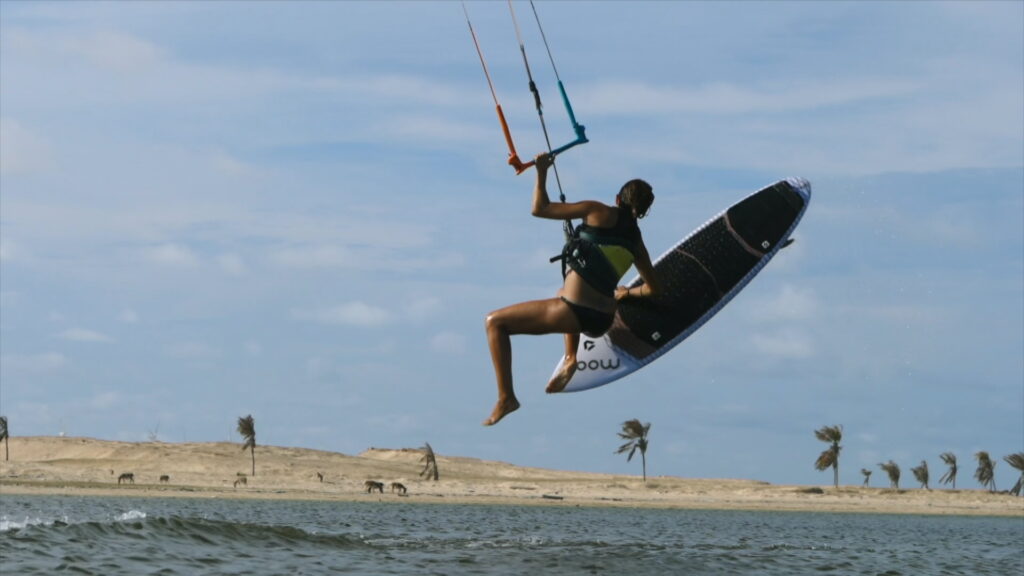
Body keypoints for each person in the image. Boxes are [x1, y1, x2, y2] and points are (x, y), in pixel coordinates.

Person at [483, 152, 662, 426]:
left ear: (617, 199)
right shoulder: (638, 244)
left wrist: (541, 171)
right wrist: (627, 293)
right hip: (601, 321)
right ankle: (570, 358)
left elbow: (539, 209)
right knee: (560, 293)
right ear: (645, 210)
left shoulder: (597, 210)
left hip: (575, 313)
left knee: (495, 322)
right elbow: (653, 289)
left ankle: (507, 397)